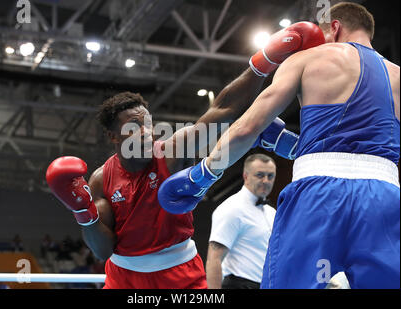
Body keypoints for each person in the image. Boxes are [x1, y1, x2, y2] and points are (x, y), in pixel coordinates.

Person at [46, 22, 325, 289]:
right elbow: (102, 251)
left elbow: (223, 109)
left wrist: (262, 62)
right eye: (134, 126)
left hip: (180, 273)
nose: (145, 132)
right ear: (114, 136)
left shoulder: (171, 151)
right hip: (124, 277)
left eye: (148, 123)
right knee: (102, 220)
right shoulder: (100, 180)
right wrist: (82, 211)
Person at [158, 2, 400, 289]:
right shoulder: (397, 75)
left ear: (334, 27)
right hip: (385, 198)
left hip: (318, 195)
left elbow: (246, 128)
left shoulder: (309, 58)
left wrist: (204, 173)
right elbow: (358, 147)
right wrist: (296, 147)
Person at [206, 154, 277, 289]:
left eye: (270, 176)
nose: (266, 181)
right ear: (246, 176)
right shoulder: (232, 208)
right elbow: (213, 260)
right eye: (260, 175)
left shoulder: (271, 212)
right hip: (239, 285)